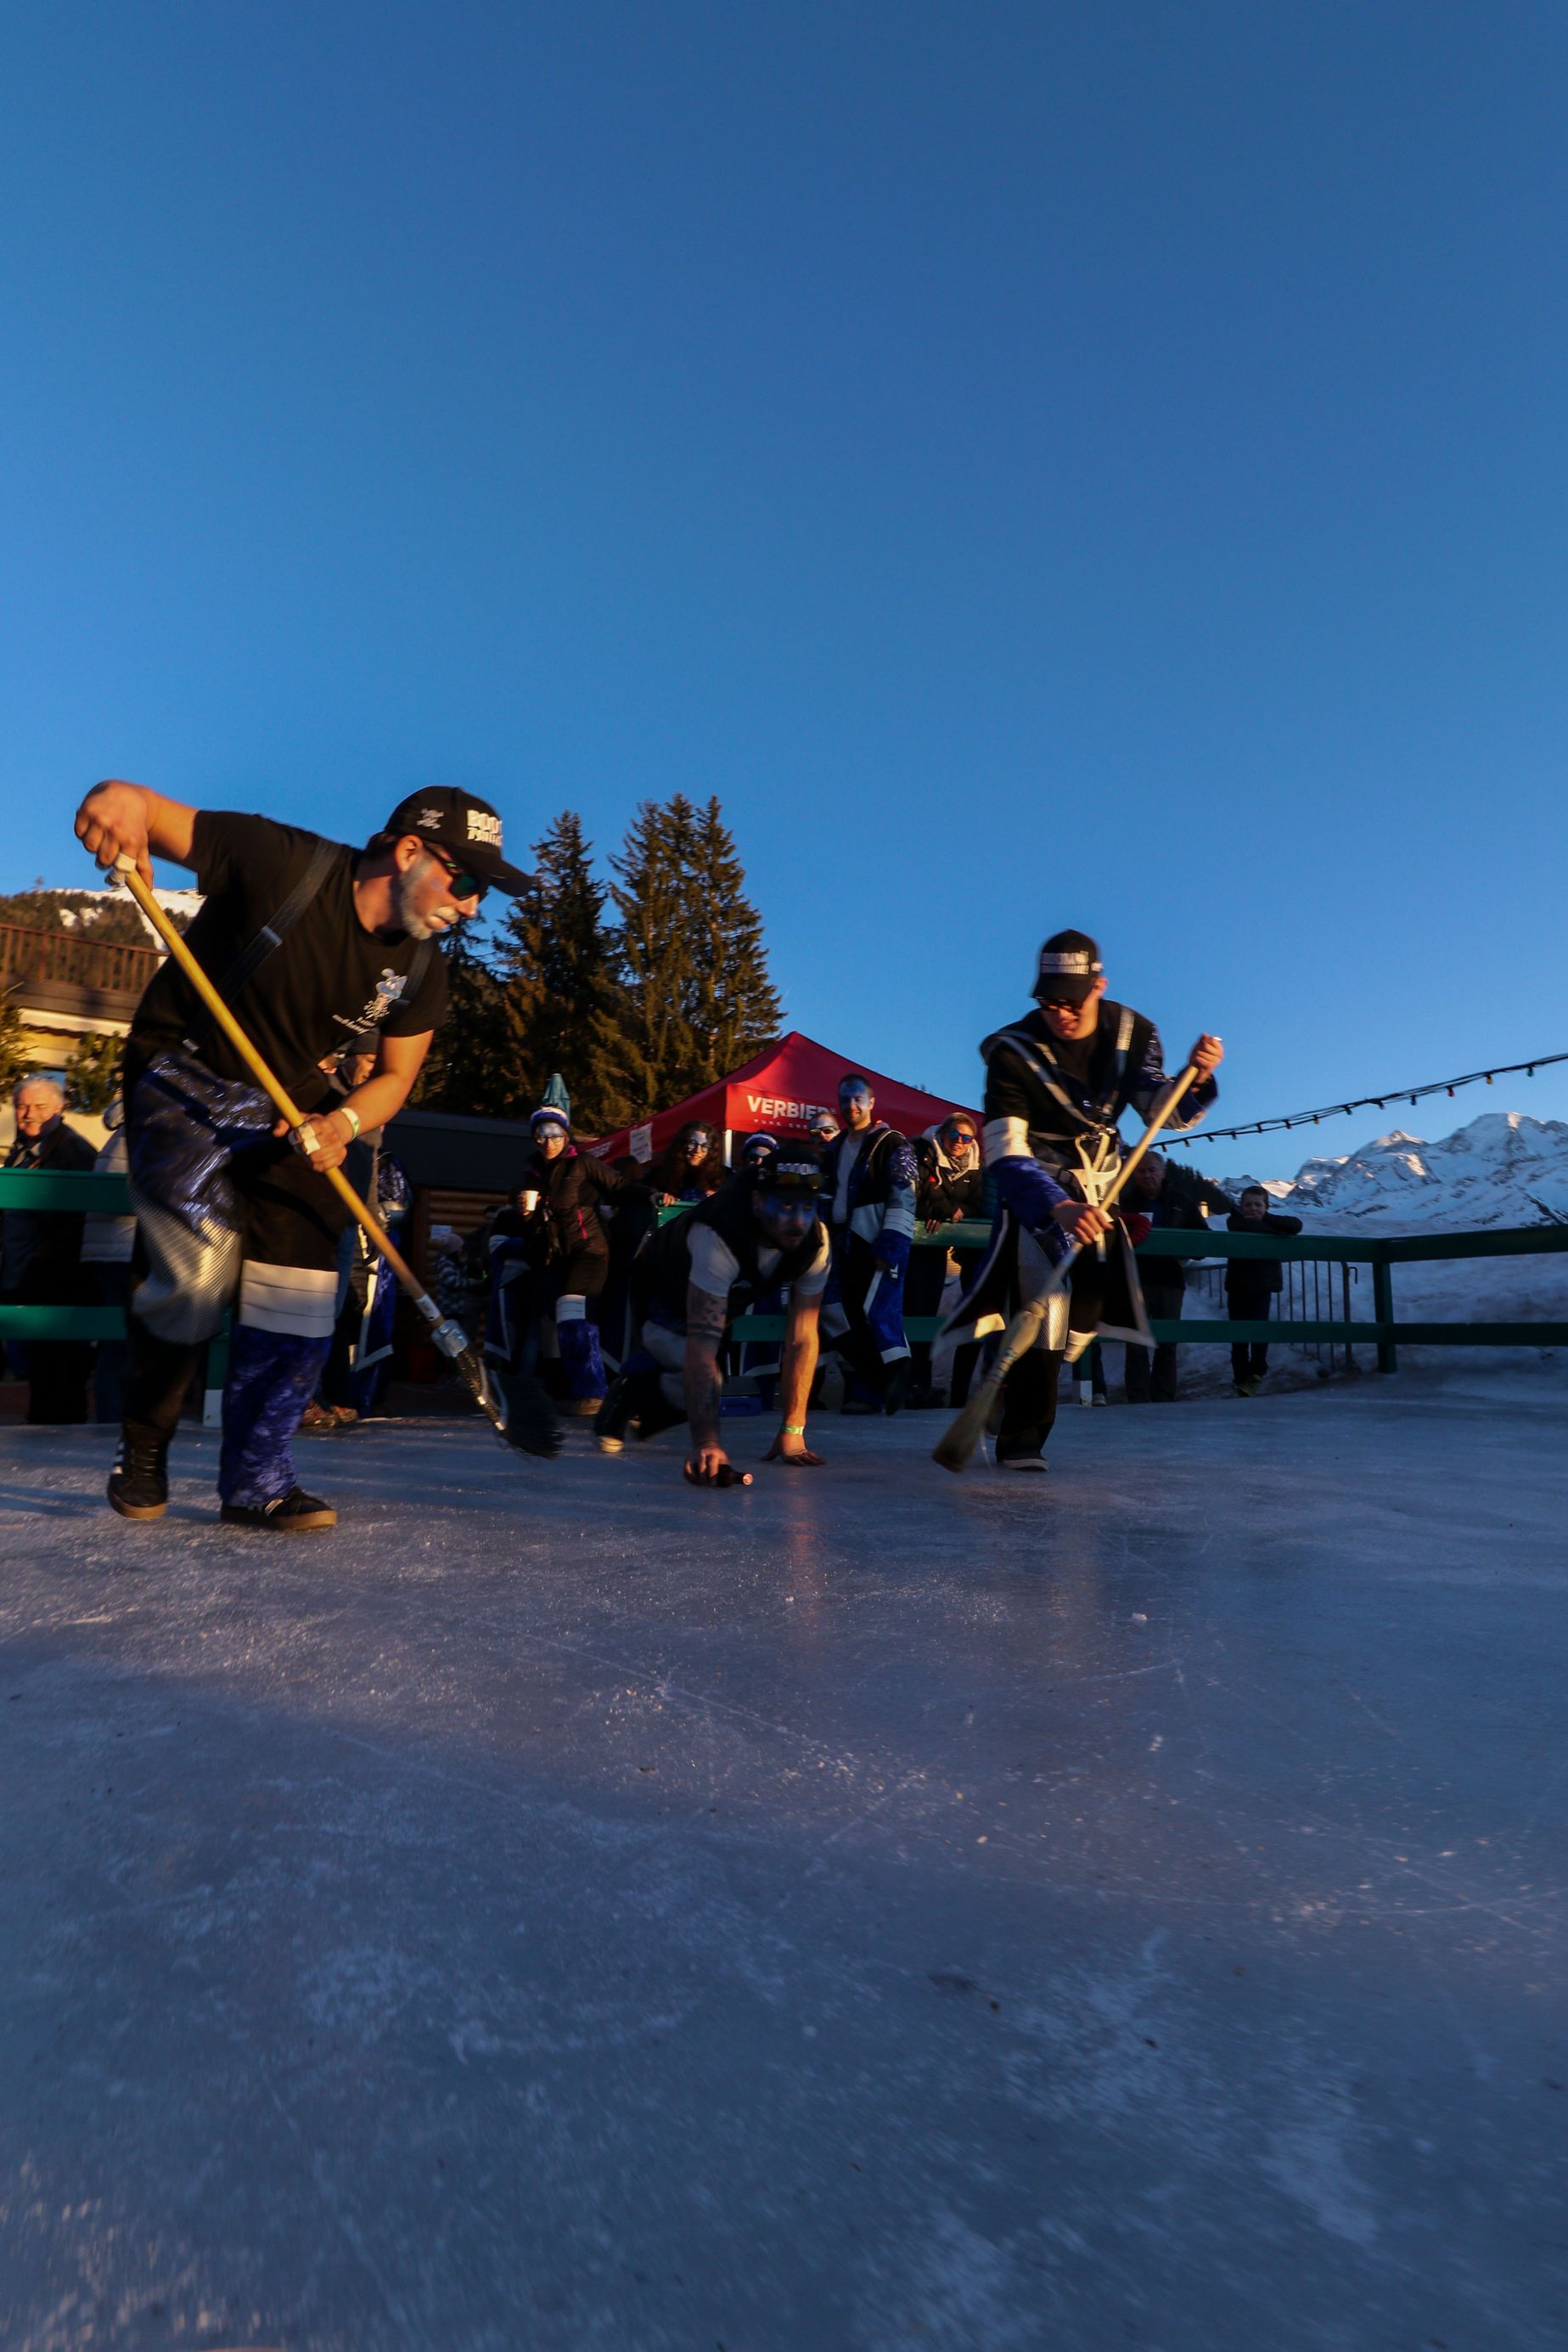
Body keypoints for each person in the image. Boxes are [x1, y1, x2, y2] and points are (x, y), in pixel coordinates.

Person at [73, 776, 526, 1528]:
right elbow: (141, 808)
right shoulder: (281, 862)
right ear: (408, 852)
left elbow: (394, 1078)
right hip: (183, 1068)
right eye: (467, 880)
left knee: (304, 1282)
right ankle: (145, 1442)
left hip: (290, 1101)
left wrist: (342, 1124)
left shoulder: (421, 969)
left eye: (485, 890)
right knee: (198, 1267)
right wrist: (116, 803)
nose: (473, 905)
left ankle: (257, 1477)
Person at [948, 929, 1223, 1470]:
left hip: (1102, 1190)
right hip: (1038, 1192)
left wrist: (1197, 1079)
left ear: (1099, 986)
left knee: (1083, 1318)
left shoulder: (1132, 1034)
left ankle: (1004, 1379)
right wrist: (1056, 1205)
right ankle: (1023, 1439)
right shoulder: (1011, 1052)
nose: (1060, 1013)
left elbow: (1162, 1112)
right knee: (1047, 1308)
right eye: (1048, 1001)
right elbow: (1004, 1149)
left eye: (1071, 1001)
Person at [597, 1140, 830, 1483]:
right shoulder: (718, 1233)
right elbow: (700, 1348)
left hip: (729, 1290)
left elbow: (803, 1337)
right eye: (785, 1205)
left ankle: (641, 1394)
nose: (798, 1221)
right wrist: (707, 1443)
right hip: (663, 1281)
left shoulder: (816, 1241)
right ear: (757, 1201)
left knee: (699, 1386)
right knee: (695, 1371)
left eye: (808, 1207)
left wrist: (793, 1430)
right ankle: (632, 1387)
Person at [485, 1106, 644, 1414]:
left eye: (555, 1134)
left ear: (566, 1135)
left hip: (589, 1251)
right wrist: (527, 1216)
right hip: (553, 1257)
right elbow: (532, 1223)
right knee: (553, 1324)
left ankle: (593, 1392)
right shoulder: (532, 1171)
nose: (549, 1141)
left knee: (573, 1312)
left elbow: (620, 1186)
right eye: (542, 1135)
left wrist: (652, 1195)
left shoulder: (581, 1163)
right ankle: (565, 1391)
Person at [1, 1072, 98, 1422]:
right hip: (26, 1270)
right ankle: (43, 1421)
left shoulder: (74, 1151)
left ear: (59, 1109)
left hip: (57, 1275)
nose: (29, 1114)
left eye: (39, 1106)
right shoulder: (23, 1149)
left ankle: (61, 1427)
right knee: (38, 1358)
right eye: (22, 1106)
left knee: (61, 1359)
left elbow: (80, 1217)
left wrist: (46, 1255)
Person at [819, 1073, 917, 1413]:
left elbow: (905, 1196)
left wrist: (890, 1244)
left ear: (871, 1102)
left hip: (874, 1241)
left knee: (877, 1315)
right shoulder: (832, 1148)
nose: (851, 1105)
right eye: (845, 1099)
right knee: (837, 1314)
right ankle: (879, 1383)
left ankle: (884, 1383)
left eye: (858, 1098)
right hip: (839, 1245)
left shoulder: (892, 1143)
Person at [1121, 1151, 1234, 1403]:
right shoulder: (1125, 1202)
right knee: (1135, 1341)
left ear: (1163, 1172)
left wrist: (1185, 1249)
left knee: (1168, 1340)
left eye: (1152, 1170)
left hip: (1170, 1278)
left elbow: (1201, 1237)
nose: (1147, 1175)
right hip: (1134, 1278)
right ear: (1135, 1175)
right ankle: (1137, 1398)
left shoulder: (1180, 1201)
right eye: (1142, 1171)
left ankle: (1164, 1397)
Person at [907, 1111, 984, 1407]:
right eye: (954, 1135)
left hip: (942, 1249)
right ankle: (911, 1385)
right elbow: (920, 1191)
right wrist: (946, 1209)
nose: (959, 1142)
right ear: (942, 1133)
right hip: (915, 1246)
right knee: (914, 1311)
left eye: (966, 1138)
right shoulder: (923, 1151)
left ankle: (925, 1386)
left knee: (930, 1312)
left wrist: (951, 1211)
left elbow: (976, 1203)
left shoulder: (975, 1167)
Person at [80, 1092, 138, 1425]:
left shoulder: (123, 1130)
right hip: (127, 1248)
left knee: (114, 1340)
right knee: (125, 1343)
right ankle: (116, 1420)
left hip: (106, 1249)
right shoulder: (146, 1129)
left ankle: (110, 1416)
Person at [1225, 1185, 1302, 1395]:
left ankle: (1256, 1374)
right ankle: (1240, 1378)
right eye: (1248, 1205)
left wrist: (1267, 1220)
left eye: (1258, 1205)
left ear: (1267, 1207)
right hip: (1238, 1288)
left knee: (1260, 1333)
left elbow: (1296, 1225)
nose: (1253, 1209)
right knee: (1239, 1337)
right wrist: (1274, 1230)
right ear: (1241, 1207)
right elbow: (1245, 1227)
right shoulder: (1235, 1222)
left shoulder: (1267, 1221)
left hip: (1262, 1288)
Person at [650, 1121, 724, 1204]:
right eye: (692, 1143)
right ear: (681, 1144)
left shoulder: (723, 1175)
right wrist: (655, 1195)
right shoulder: (660, 1173)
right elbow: (640, 1190)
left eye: (705, 1146)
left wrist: (722, 1196)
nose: (698, 1151)